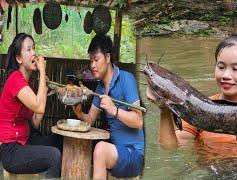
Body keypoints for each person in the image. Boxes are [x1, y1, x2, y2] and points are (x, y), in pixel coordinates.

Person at [158, 34, 237, 157]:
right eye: (221, 67)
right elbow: (170, 149)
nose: (226, 75)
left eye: (235, 69)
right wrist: (164, 110)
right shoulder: (201, 108)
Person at [73, 34, 144, 179]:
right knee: (94, 149)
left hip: (134, 154)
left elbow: (138, 121)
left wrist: (114, 110)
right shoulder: (100, 88)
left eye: (96, 59)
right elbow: (90, 120)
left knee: (100, 149)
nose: (92, 65)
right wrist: (80, 114)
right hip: (117, 153)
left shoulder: (126, 79)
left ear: (108, 57)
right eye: (91, 60)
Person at [0, 33, 61, 178]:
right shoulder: (15, 79)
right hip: (11, 150)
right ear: (19, 58)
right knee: (54, 156)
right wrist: (42, 71)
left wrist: (44, 88)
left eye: (34, 48)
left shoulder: (24, 84)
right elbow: (39, 107)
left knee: (60, 142)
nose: (34, 53)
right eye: (28, 49)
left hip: (24, 141)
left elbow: (35, 122)